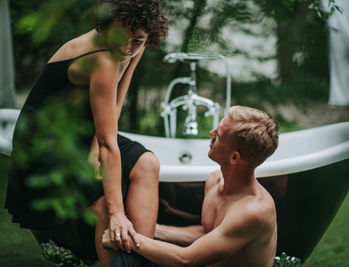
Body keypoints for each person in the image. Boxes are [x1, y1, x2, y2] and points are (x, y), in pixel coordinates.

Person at [4, 0, 167, 266]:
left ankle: (138, 259)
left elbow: (115, 104)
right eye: (123, 39)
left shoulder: (134, 40)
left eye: (137, 41)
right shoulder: (101, 57)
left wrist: (94, 149)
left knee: (148, 163)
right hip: (45, 147)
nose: (127, 48)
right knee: (104, 205)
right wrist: (116, 212)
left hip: (81, 135)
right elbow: (108, 143)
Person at [103, 105, 280, 267]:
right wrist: (146, 229)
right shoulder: (215, 181)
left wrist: (125, 237)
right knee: (130, 257)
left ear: (234, 158)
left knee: (127, 256)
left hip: (189, 261)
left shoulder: (253, 211)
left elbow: (185, 259)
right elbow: (206, 234)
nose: (211, 133)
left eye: (218, 135)